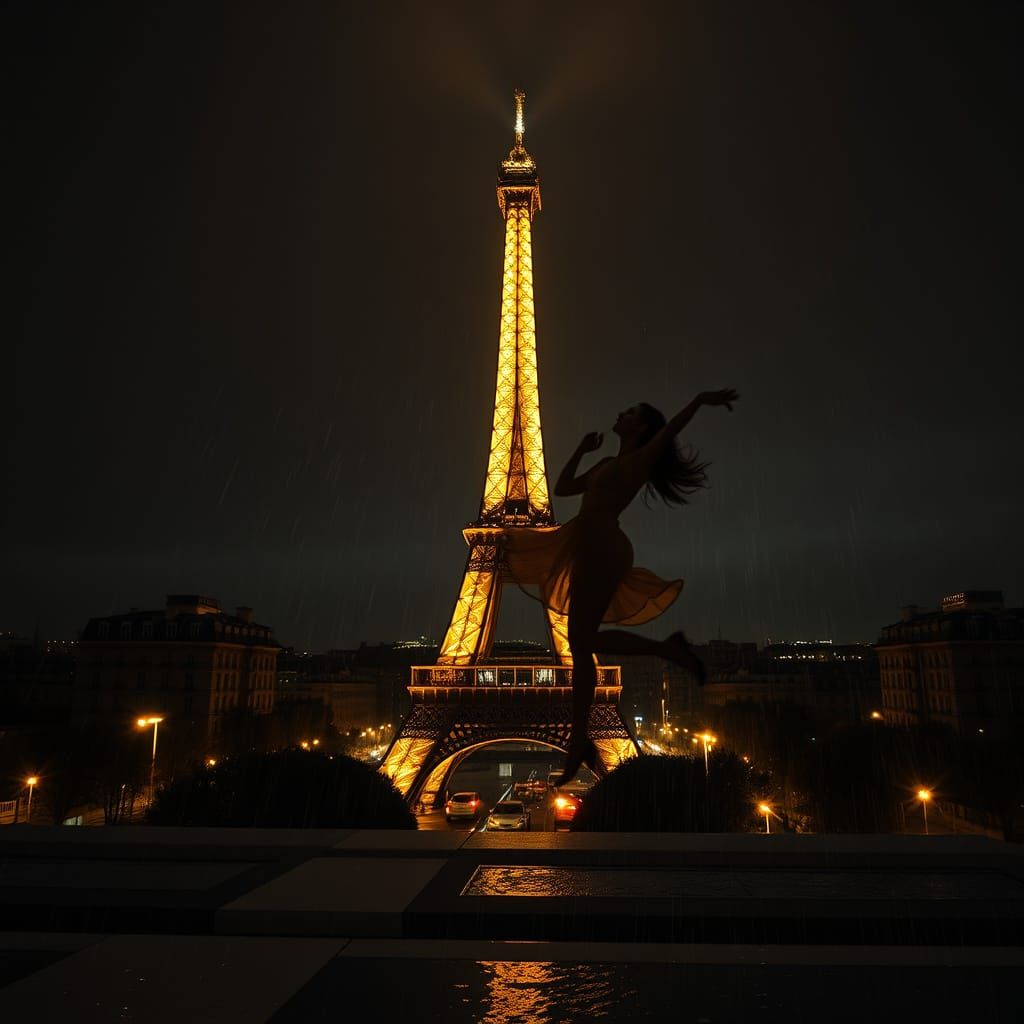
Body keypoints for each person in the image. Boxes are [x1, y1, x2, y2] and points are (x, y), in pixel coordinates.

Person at [503, 389, 739, 784]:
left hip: (603, 546)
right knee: (580, 644)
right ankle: (582, 738)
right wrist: (580, 449)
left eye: (629, 411)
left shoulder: (640, 460)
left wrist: (698, 400)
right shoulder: (609, 461)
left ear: (642, 426)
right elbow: (562, 488)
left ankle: (588, 731)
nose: (620, 411)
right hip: (584, 544)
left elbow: (672, 429)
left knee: (581, 640)